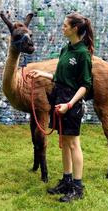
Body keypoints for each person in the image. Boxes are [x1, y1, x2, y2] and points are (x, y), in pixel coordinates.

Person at [26, 13, 94, 203]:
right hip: (60, 99)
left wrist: (70, 104)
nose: (62, 27)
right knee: (64, 142)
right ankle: (67, 180)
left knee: (73, 143)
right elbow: (62, 76)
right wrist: (43, 73)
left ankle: (78, 188)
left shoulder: (83, 54)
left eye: (65, 25)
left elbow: (85, 85)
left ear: (75, 29)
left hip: (71, 102)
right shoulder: (66, 50)